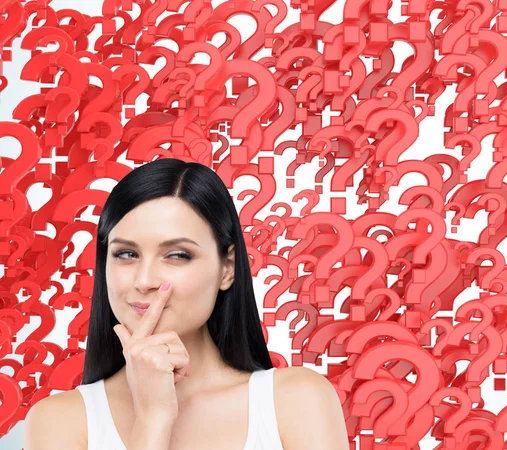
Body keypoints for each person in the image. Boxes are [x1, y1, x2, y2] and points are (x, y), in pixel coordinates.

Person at [23, 158, 349, 450]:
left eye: (177, 255)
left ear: (227, 268)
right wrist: (152, 419)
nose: (145, 279)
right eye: (126, 254)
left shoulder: (296, 401)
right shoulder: (60, 421)